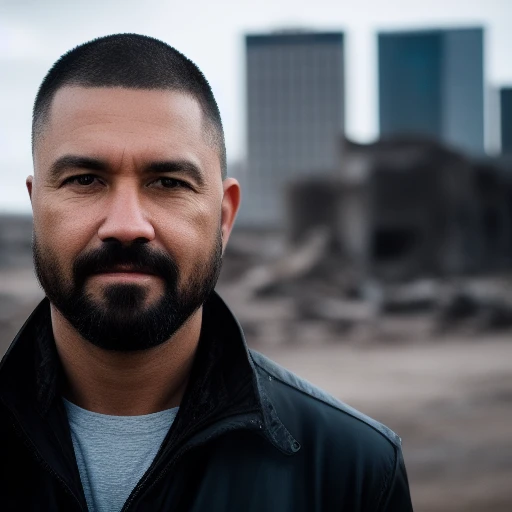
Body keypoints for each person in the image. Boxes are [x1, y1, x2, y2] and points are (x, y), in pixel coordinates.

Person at [0, 34, 413, 511]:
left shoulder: (354, 471)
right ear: (36, 207)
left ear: (224, 216)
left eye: (168, 182)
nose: (127, 226)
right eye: (85, 180)